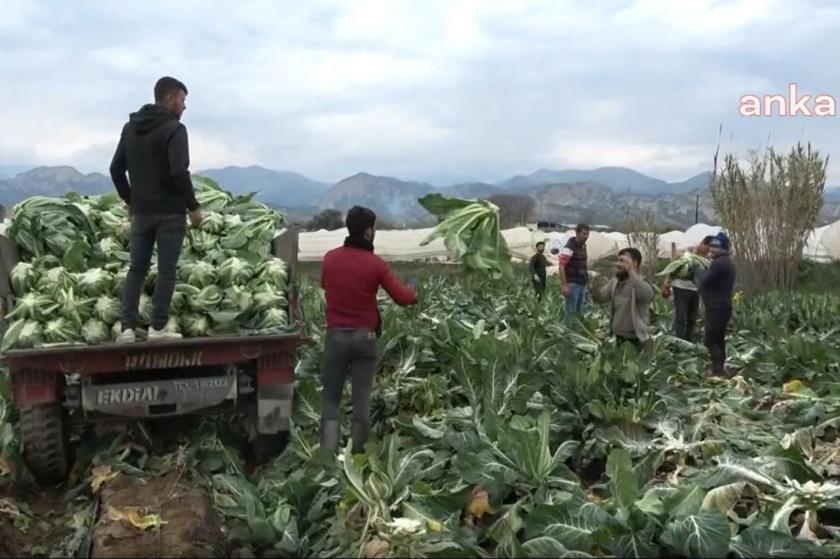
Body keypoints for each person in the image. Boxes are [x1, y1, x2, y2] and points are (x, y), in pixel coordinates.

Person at [110, 76, 203, 343]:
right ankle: (157, 328)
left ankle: (126, 329)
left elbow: (116, 169)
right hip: (170, 213)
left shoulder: (130, 128)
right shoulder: (175, 129)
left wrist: (130, 201)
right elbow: (178, 172)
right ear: (170, 98)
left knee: (136, 268)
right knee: (166, 270)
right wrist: (193, 207)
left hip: (141, 213)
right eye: (183, 100)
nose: (185, 107)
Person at [320, 206, 417, 454]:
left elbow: (325, 284)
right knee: (361, 400)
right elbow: (403, 298)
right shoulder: (376, 264)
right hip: (365, 338)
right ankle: (360, 455)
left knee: (331, 399)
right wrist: (413, 289)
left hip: (336, 337)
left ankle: (327, 456)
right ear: (368, 232)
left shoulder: (330, 258)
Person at [594, 248, 655, 352]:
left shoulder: (641, 282)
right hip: (616, 338)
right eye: (619, 260)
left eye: (623, 261)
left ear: (635, 263)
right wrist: (594, 286)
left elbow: (647, 295)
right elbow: (601, 298)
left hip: (636, 341)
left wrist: (630, 270)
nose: (618, 264)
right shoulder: (615, 282)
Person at [662, 236, 714, 342]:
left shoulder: (706, 260)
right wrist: (667, 282)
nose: (708, 251)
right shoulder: (687, 252)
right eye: (707, 248)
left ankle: (689, 343)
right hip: (680, 287)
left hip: (695, 290)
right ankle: (679, 342)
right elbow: (674, 266)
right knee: (681, 317)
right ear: (703, 243)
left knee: (692, 319)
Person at [699, 232, 736, 377]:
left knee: (710, 340)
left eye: (716, 247)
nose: (712, 249)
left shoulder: (719, 264)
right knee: (719, 339)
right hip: (723, 306)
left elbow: (704, 281)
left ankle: (717, 370)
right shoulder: (727, 262)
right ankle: (720, 368)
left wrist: (696, 268)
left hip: (716, 307)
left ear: (724, 249)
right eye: (711, 246)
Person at [558, 224, 590, 325]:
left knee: (579, 312)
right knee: (570, 313)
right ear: (577, 233)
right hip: (572, 284)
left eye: (588, 234)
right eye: (584, 233)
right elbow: (561, 266)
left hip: (582, 283)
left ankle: (576, 335)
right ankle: (567, 336)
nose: (586, 236)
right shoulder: (569, 247)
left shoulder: (584, 246)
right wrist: (564, 285)